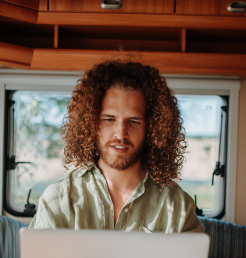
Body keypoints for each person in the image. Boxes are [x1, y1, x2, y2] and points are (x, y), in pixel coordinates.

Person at [29, 57, 202, 233]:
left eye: (133, 121)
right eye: (109, 119)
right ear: (91, 124)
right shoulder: (59, 199)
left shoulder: (178, 207)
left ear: (152, 128)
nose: (120, 134)